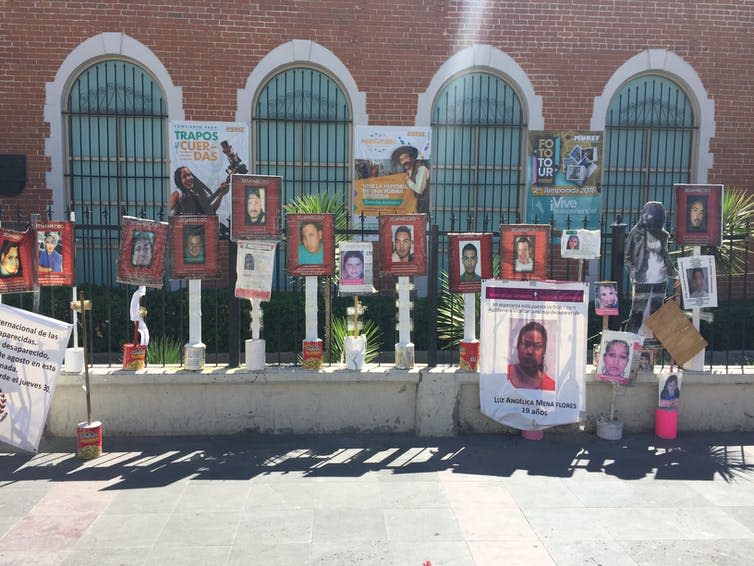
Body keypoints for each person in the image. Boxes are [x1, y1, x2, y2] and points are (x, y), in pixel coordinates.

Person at [625, 201, 677, 335]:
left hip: (661, 279)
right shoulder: (636, 233)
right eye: (644, 212)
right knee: (637, 313)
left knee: (656, 315)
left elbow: (665, 257)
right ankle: (629, 344)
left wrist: (676, 274)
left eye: (649, 213)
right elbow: (627, 258)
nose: (645, 215)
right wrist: (633, 272)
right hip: (643, 278)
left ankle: (652, 349)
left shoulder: (663, 235)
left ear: (658, 216)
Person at [507, 321, 555, 391]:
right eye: (526, 344)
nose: (530, 351)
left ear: (544, 351)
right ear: (518, 345)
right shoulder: (504, 374)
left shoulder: (551, 387)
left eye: (537, 346)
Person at [392, 145, 430, 214]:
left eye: (406, 157)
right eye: (401, 160)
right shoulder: (406, 172)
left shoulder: (421, 169)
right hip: (409, 209)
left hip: (421, 209)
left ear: (411, 158)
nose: (404, 161)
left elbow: (419, 190)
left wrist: (408, 181)